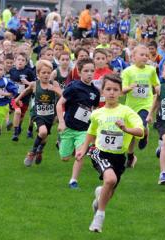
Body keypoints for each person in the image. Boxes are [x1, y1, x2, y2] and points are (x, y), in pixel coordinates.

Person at [75, 74, 144, 233]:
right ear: (102, 92)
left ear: (121, 92)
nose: (112, 93)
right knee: (110, 179)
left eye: (115, 90)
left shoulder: (127, 112)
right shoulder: (97, 113)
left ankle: (99, 198)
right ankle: (99, 217)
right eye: (108, 89)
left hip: (119, 157)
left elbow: (140, 132)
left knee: (109, 189)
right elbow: (91, 132)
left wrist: (126, 129)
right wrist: (84, 148)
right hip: (99, 152)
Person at [56, 59, 100, 188]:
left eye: (92, 71)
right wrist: (61, 122)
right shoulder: (74, 87)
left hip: (84, 130)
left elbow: (94, 110)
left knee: (80, 154)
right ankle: (60, 140)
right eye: (86, 71)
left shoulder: (95, 92)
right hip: (68, 127)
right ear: (79, 72)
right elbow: (59, 104)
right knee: (65, 158)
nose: (89, 74)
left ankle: (73, 181)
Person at [16, 60, 62, 166]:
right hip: (37, 114)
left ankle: (40, 151)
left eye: (48, 73)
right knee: (43, 132)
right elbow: (26, 91)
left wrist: (55, 90)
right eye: (43, 73)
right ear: (38, 74)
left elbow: (63, 96)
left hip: (50, 116)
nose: (46, 75)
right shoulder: (35, 84)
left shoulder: (54, 84)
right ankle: (32, 152)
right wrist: (17, 99)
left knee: (44, 138)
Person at [121, 45, 159, 167]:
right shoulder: (127, 71)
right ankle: (131, 156)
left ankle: (145, 133)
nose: (145, 57)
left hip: (146, 104)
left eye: (147, 55)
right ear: (133, 57)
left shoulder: (151, 70)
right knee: (131, 133)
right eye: (142, 55)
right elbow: (123, 89)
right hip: (131, 106)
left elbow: (156, 84)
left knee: (141, 126)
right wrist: (129, 87)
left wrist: (159, 90)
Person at [10, 52, 36, 141]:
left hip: (25, 97)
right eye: (18, 60)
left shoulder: (29, 71)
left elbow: (34, 84)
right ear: (15, 61)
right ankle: (15, 132)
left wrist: (27, 83)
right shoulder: (12, 71)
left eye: (23, 60)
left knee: (21, 115)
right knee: (17, 112)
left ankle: (18, 126)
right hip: (14, 97)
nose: (20, 62)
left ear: (26, 62)